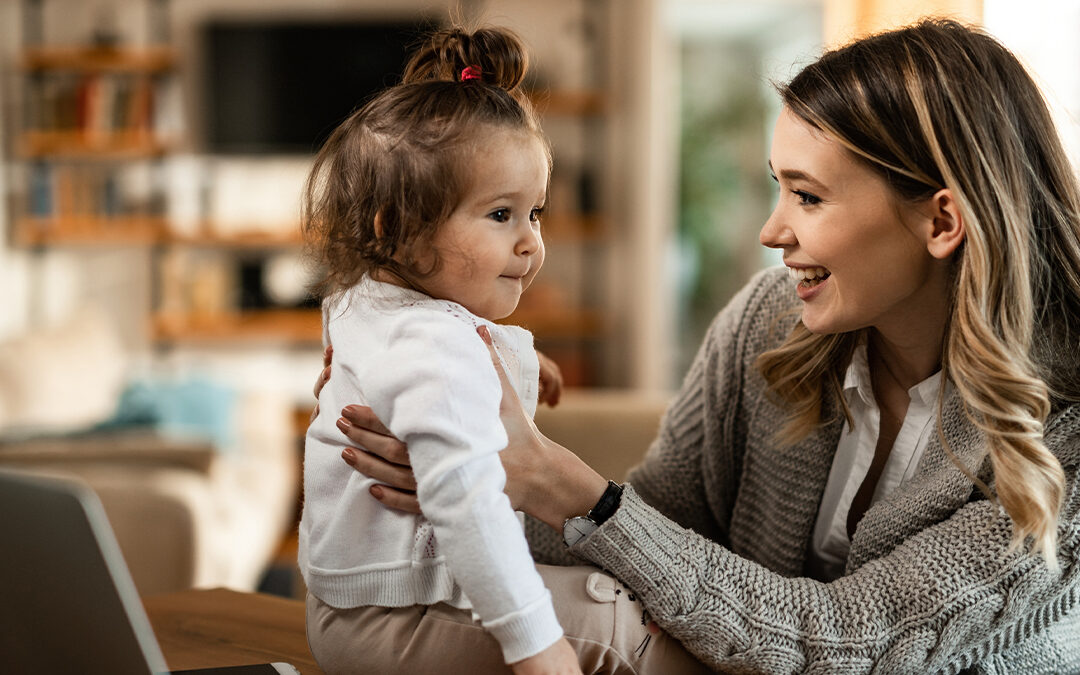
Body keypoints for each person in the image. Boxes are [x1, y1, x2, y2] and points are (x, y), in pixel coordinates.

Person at [325, 18, 1080, 674]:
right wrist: (457, 470)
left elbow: (856, 646)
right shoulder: (772, 318)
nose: (771, 230)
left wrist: (566, 486)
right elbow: (657, 536)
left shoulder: (1065, 434)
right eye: (777, 187)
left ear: (941, 222)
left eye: (808, 196)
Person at [298, 26, 586, 675]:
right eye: (500, 215)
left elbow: (404, 362)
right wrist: (538, 647)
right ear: (396, 229)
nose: (531, 243)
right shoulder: (436, 344)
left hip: (344, 608)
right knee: (638, 630)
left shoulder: (362, 300)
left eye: (535, 212)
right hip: (405, 620)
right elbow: (469, 501)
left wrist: (518, 363)